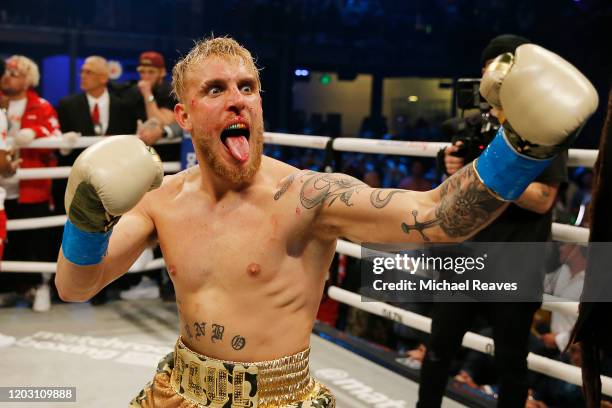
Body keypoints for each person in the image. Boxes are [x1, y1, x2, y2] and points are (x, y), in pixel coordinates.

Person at [55, 37, 597, 407]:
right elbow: (77, 286)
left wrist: (520, 149)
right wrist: (85, 215)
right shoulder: (162, 200)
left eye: (247, 87)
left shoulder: (307, 196)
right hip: (179, 387)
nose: (237, 101)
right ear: (184, 114)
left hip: (281, 397)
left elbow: (436, 218)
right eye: (216, 90)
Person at [417, 34, 570, 408]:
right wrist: (456, 168)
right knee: (438, 351)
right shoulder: (475, 128)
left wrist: (482, 173)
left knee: (510, 364)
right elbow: (453, 189)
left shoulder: (546, 123)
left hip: (516, 260)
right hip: (464, 256)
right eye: (487, 71)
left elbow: (542, 199)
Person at [0, 55, 61, 312]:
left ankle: (38, 287)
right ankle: (8, 288)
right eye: (6, 72)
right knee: (7, 242)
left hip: (30, 188)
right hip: (4, 186)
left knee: (33, 240)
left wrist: (34, 133)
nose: (7, 77)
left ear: (28, 79)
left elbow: (56, 133)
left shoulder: (42, 106)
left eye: (14, 74)